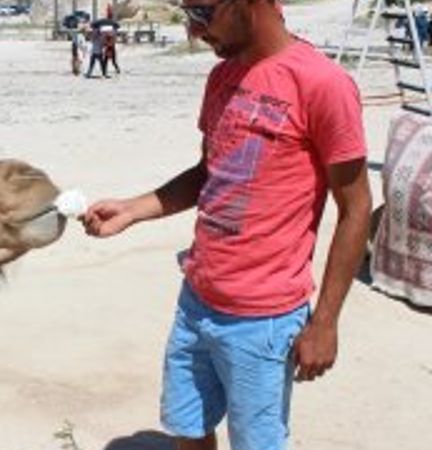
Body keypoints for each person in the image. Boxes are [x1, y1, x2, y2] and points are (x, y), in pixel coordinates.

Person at [81, 1, 372, 449]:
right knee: (188, 429)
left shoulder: (323, 84)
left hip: (264, 320)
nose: (195, 30)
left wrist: (327, 322)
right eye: (186, 14)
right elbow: (210, 171)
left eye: (203, 11)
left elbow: (355, 209)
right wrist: (133, 209)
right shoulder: (222, 77)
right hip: (196, 300)